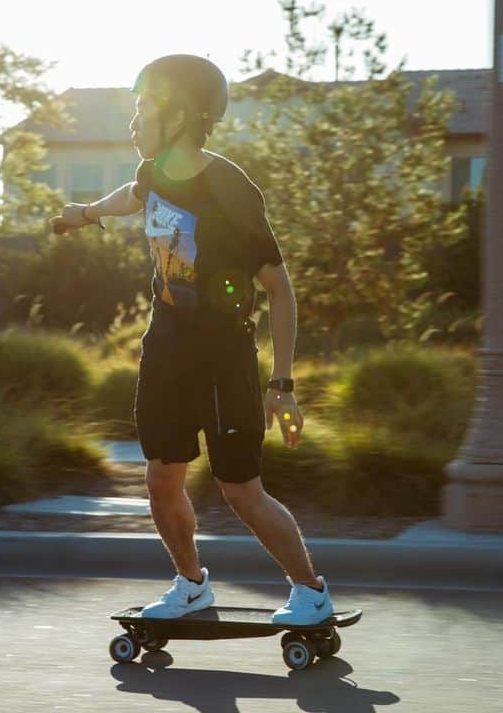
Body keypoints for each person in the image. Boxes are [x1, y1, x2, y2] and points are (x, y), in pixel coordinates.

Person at [48, 54, 334, 625]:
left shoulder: (229, 187)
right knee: (161, 476)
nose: (132, 123)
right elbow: (131, 196)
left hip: (224, 357)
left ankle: (311, 591)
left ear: (179, 114)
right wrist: (82, 213)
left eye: (143, 109)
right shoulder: (155, 173)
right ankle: (191, 583)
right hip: (166, 351)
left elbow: (280, 289)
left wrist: (282, 383)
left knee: (239, 489)